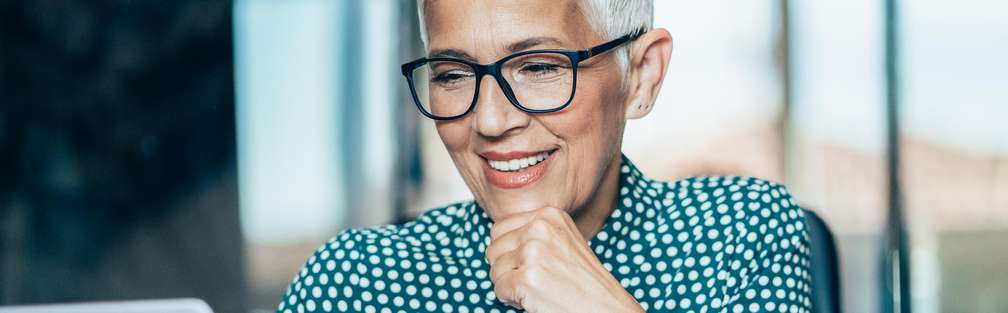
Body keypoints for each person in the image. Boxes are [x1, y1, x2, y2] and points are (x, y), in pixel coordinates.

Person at [277, 1, 814, 312]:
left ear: (642, 76)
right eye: (453, 75)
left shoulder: (739, 234)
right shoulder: (357, 281)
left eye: (538, 68)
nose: (489, 121)